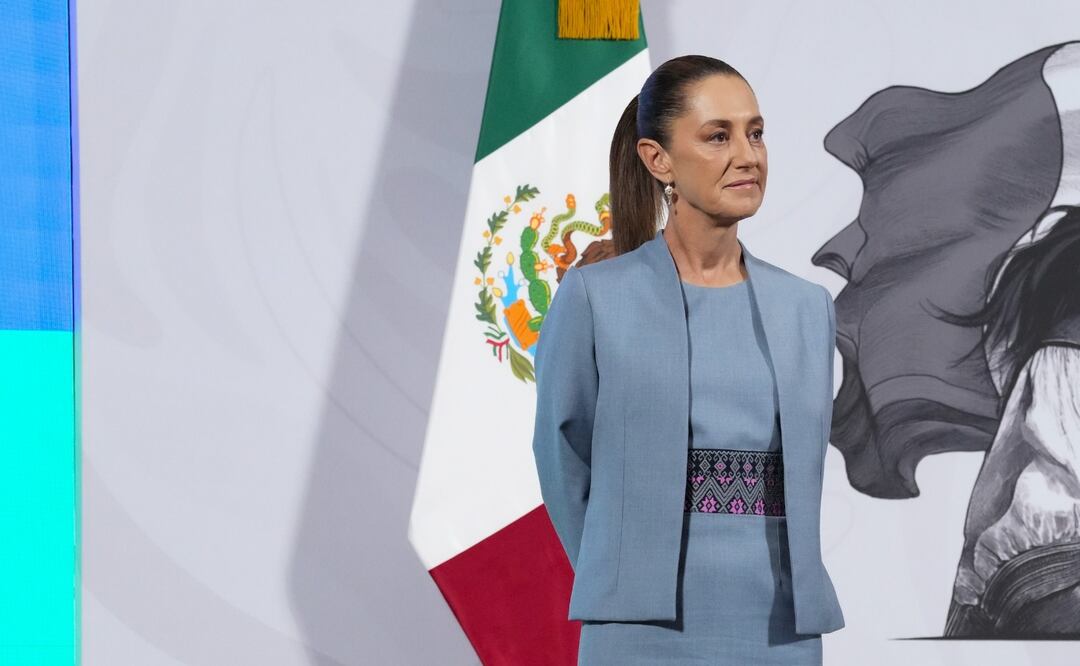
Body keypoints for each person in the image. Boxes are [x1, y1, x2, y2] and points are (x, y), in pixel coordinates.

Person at [531, 54, 844, 665]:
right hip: (639, 629)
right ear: (659, 160)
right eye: (718, 136)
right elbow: (560, 455)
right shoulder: (596, 296)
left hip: (781, 629)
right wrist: (620, 568)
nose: (748, 156)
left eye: (756, 133)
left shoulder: (807, 308)